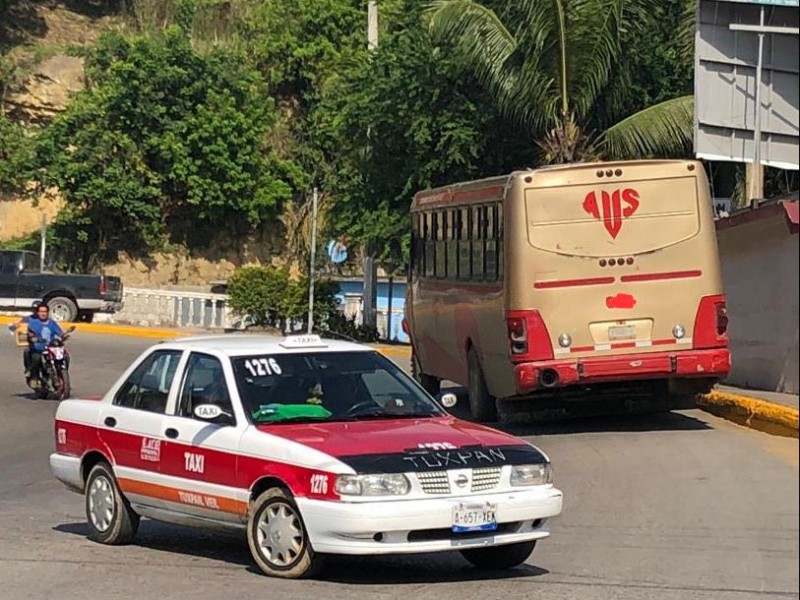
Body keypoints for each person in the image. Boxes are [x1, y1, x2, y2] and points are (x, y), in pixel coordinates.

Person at [26, 303, 64, 386]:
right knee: (36, 357)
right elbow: (30, 334)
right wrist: (32, 338)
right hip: (39, 348)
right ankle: (34, 377)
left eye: (45, 311)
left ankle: (61, 373)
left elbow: (60, 333)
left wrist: (64, 336)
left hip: (51, 348)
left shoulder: (52, 323)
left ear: (48, 312)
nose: (43, 313)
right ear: (38, 313)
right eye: (41, 311)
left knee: (65, 356)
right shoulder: (33, 323)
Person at [7, 301, 43, 376]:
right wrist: (13, 327)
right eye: (35, 309)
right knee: (27, 352)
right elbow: (18, 325)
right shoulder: (28, 319)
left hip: (47, 342)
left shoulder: (48, 319)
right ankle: (29, 369)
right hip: (35, 342)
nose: (36, 311)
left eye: (38, 309)